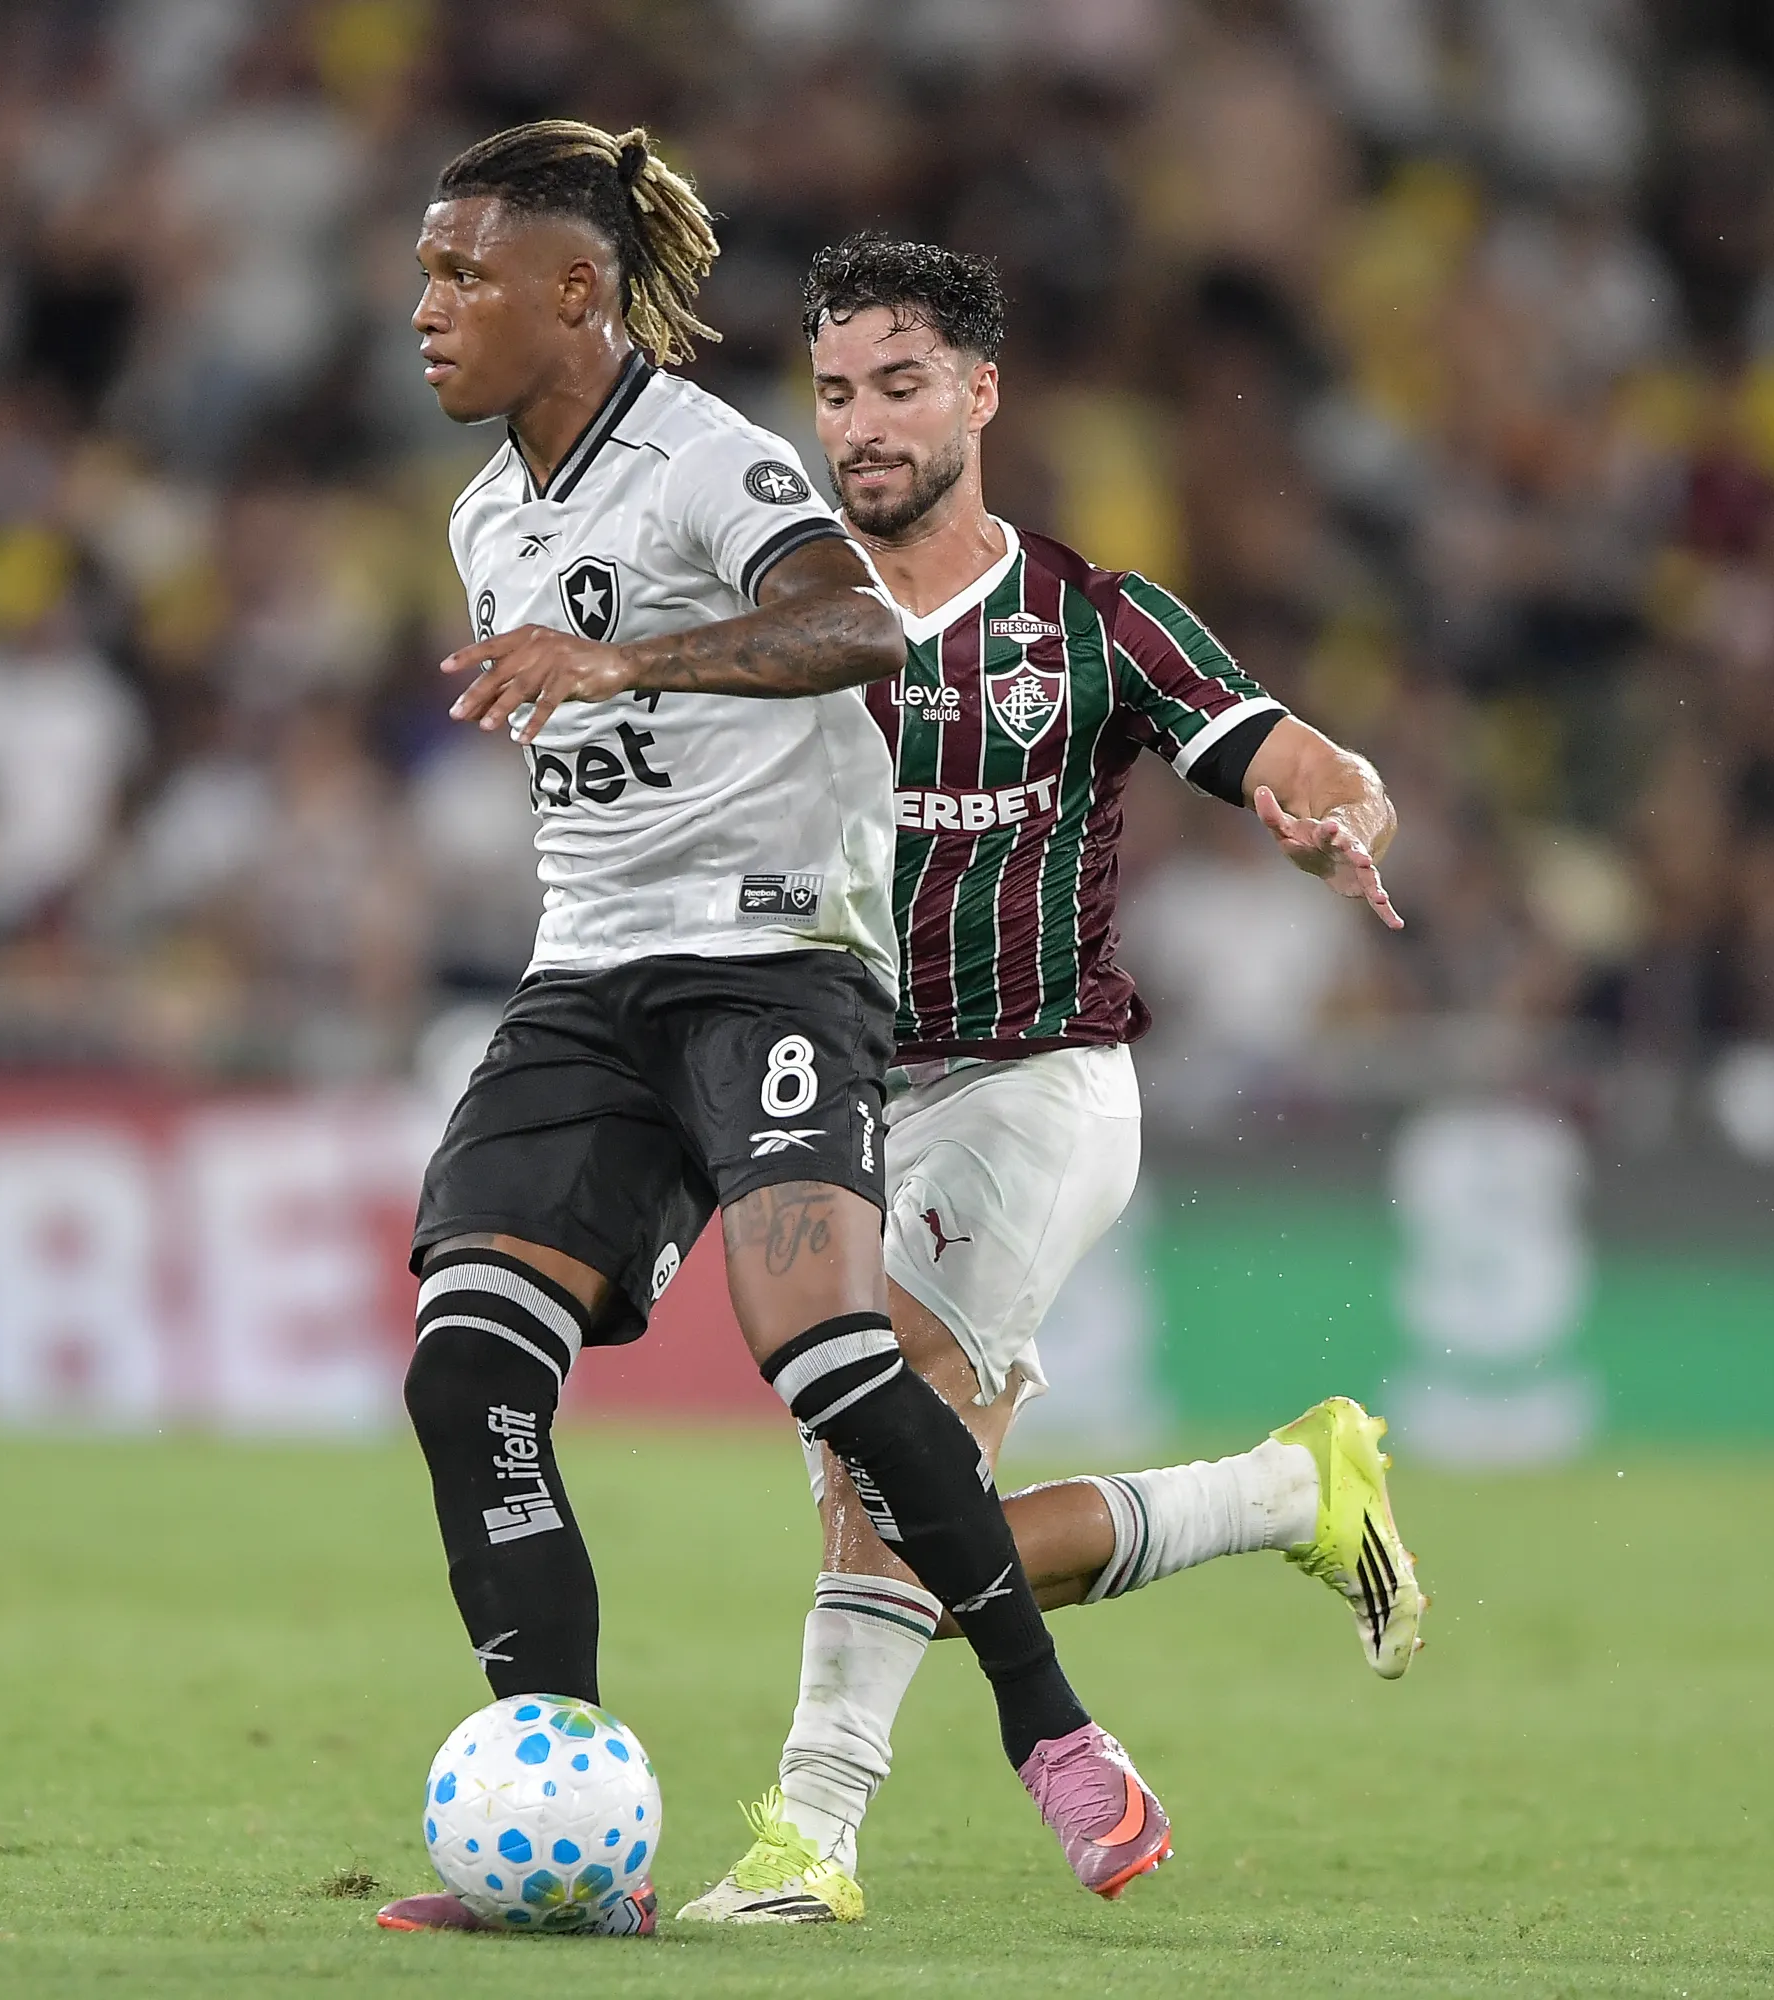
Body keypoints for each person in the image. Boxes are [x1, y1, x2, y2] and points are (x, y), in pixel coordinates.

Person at [372, 129, 1175, 1937]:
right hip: (587, 981)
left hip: (772, 966)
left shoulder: (709, 459)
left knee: (821, 1355)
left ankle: (1054, 1731)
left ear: (573, 291)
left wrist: (629, 660)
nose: (423, 313)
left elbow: (854, 626)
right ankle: (564, 1837)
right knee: (465, 1375)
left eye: (459, 276)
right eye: (423, 275)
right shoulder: (486, 514)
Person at [679, 235, 1426, 1927]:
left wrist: (1339, 821)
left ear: (982, 392)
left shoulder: (1091, 622)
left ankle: (811, 1843)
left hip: (1040, 1083)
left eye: (901, 385)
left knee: (894, 1447)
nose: (862, 425)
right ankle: (1280, 1493)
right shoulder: (781, 622)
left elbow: (1303, 755)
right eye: (837, 393)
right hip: (847, 1099)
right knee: (932, 1541)